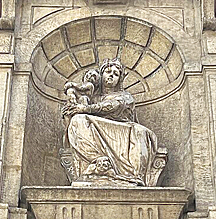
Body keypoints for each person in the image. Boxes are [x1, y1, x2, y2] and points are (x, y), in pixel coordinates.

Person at [61, 58, 161, 186]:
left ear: (119, 79)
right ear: (101, 75)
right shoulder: (93, 97)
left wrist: (86, 109)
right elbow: (72, 108)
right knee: (78, 120)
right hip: (97, 128)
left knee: (140, 132)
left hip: (121, 130)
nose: (111, 76)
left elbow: (115, 105)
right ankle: (98, 161)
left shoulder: (125, 96)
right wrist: (72, 93)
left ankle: (133, 175)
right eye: (108, 72)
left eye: (115, 74)